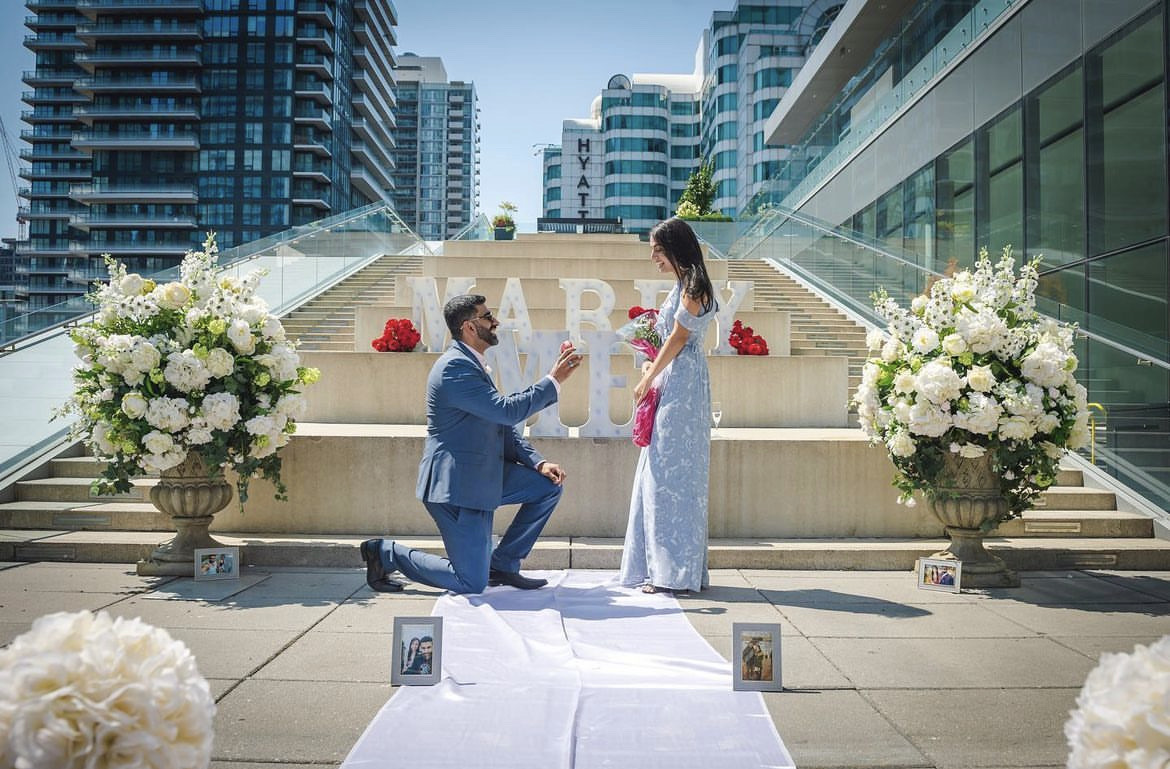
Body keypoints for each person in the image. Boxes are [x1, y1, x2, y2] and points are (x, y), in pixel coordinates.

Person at [360, 294, 583, 594]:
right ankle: (386, 553)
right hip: (458, 488)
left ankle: (503, 565)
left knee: (547, 487)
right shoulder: (455, 368)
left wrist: (538, 463)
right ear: (469, 327)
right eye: (488, 316)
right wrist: (553, 380)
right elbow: (506, 411)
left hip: (484, 475)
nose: (496, 322)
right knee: (470, 582)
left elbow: (499, 426)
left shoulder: (470, 364)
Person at [619, 217, 717, 595]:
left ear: (675, 248)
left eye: (658, 250)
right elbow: (666, 341)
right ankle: (662, 568)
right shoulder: (680, 285)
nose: (654, 258)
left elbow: (678, 339)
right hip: (673, 379)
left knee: (672, 477)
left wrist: (647, 377)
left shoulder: (694, 285)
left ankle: (673, 572)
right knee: (657, 473)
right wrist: (649, 365)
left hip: (683, 386)